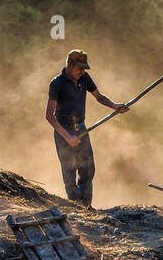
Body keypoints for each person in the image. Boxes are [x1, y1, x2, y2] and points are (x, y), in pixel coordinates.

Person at [45, 49, 128, 207]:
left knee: (88, 169)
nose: (82, 71)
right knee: (69, 170)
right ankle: (75, 207)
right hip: (63, 131)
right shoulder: (57, 84)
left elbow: (99, 97)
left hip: (81, 129)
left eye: (84, 68)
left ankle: (86, 207)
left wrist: (114, 106)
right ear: (70, 65)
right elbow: (49, 115)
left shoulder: (84, 78)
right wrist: (67, 137)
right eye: (80, 68)